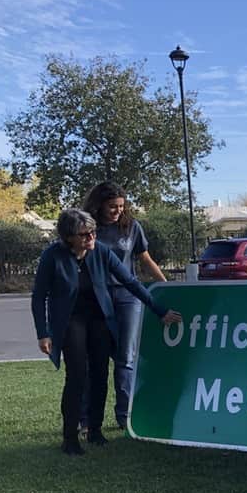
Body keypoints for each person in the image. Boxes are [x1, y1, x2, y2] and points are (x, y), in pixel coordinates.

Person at [32, 209, 182, 455]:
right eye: (84, 234)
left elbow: (130, 281)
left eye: (92, 232)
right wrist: (43, 332)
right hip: (70, 321)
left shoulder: (100, 251)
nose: (91, 237)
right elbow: (39, 296)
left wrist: (159, 310)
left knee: (100, 375)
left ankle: (95, 430)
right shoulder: (52, 256)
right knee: (77, 376)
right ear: (68, 237)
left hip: (100, 318)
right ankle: (70, 438)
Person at [81, 181, 168, 431]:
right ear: (99, 205)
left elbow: (145, 259)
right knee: (93, 358)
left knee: (126, 357)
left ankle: (125, 415)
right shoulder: (88, 228)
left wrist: (166, 286)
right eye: (112, 206)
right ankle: (86, 419)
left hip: (128, 297)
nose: (117, 211)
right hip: (97, 297)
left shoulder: (131, 227)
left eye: (121, 206)